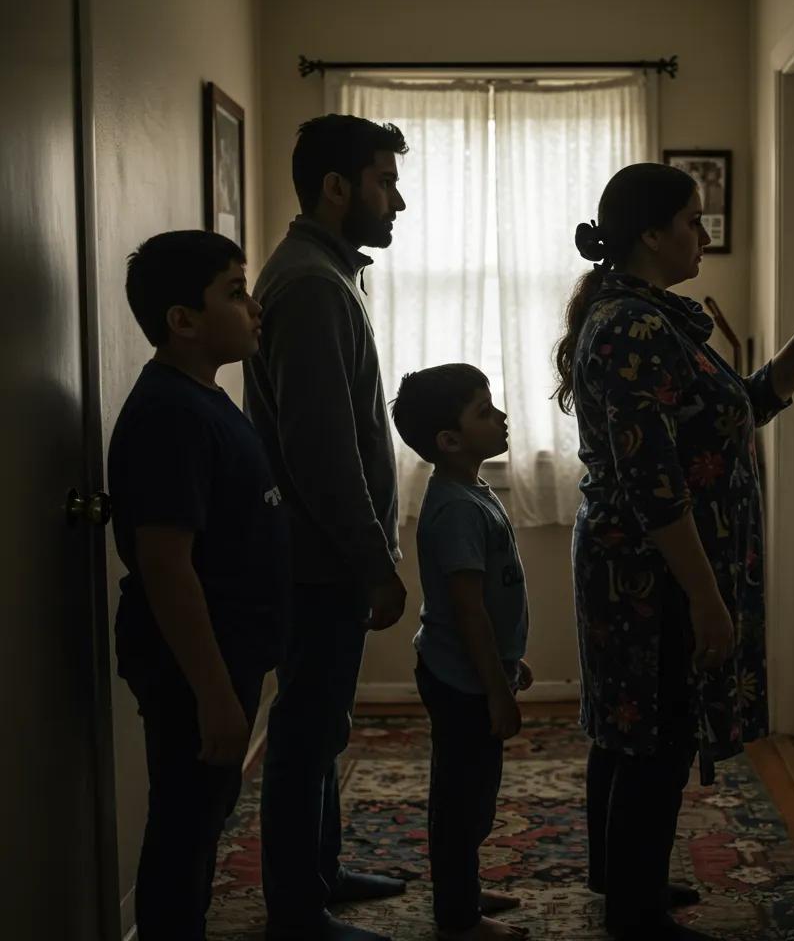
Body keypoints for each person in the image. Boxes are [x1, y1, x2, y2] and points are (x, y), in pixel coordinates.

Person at [553, 163, 794, 941]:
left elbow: (744, 405)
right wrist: (706, 598)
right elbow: (655, 486)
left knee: (631, 726)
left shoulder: (654, 319)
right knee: (653, 735)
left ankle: (624, 881)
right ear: (651, 234)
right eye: (692, 221)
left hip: (648, 566)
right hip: (650, 574)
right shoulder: (632, 329)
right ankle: (634, 913)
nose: (704, 236)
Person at [244, 115, 410, 941]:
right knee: (306, 732)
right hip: (316, 563)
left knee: (323, 723)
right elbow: (320, 449)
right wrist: (374, 561)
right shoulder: (310, 283)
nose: (398, 200)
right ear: (336, 188)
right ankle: (298, 914)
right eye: (385, 181)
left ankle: (321, 872)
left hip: (322, 558)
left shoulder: (327, 272)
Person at [108, 230, 288, 941]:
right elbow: (165, 563)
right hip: (191, 666)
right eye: (235, 293)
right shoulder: (170, 416)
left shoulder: (205, 398)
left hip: (228, 654)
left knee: (203, 819)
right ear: (182, 319)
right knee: (185, 827)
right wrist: (212, 691)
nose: (254, 308)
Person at [391, 364, 532, 941]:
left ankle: (464, 889)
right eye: (483, 410)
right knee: (461, 802)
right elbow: (469, 612)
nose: (499, 417)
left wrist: (506, 663)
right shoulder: (454, 511)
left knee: (477, 794)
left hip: (475, 672)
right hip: (460, 680)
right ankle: (458, 915)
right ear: (448, 441)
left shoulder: (472, 490)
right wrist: (496, 689)